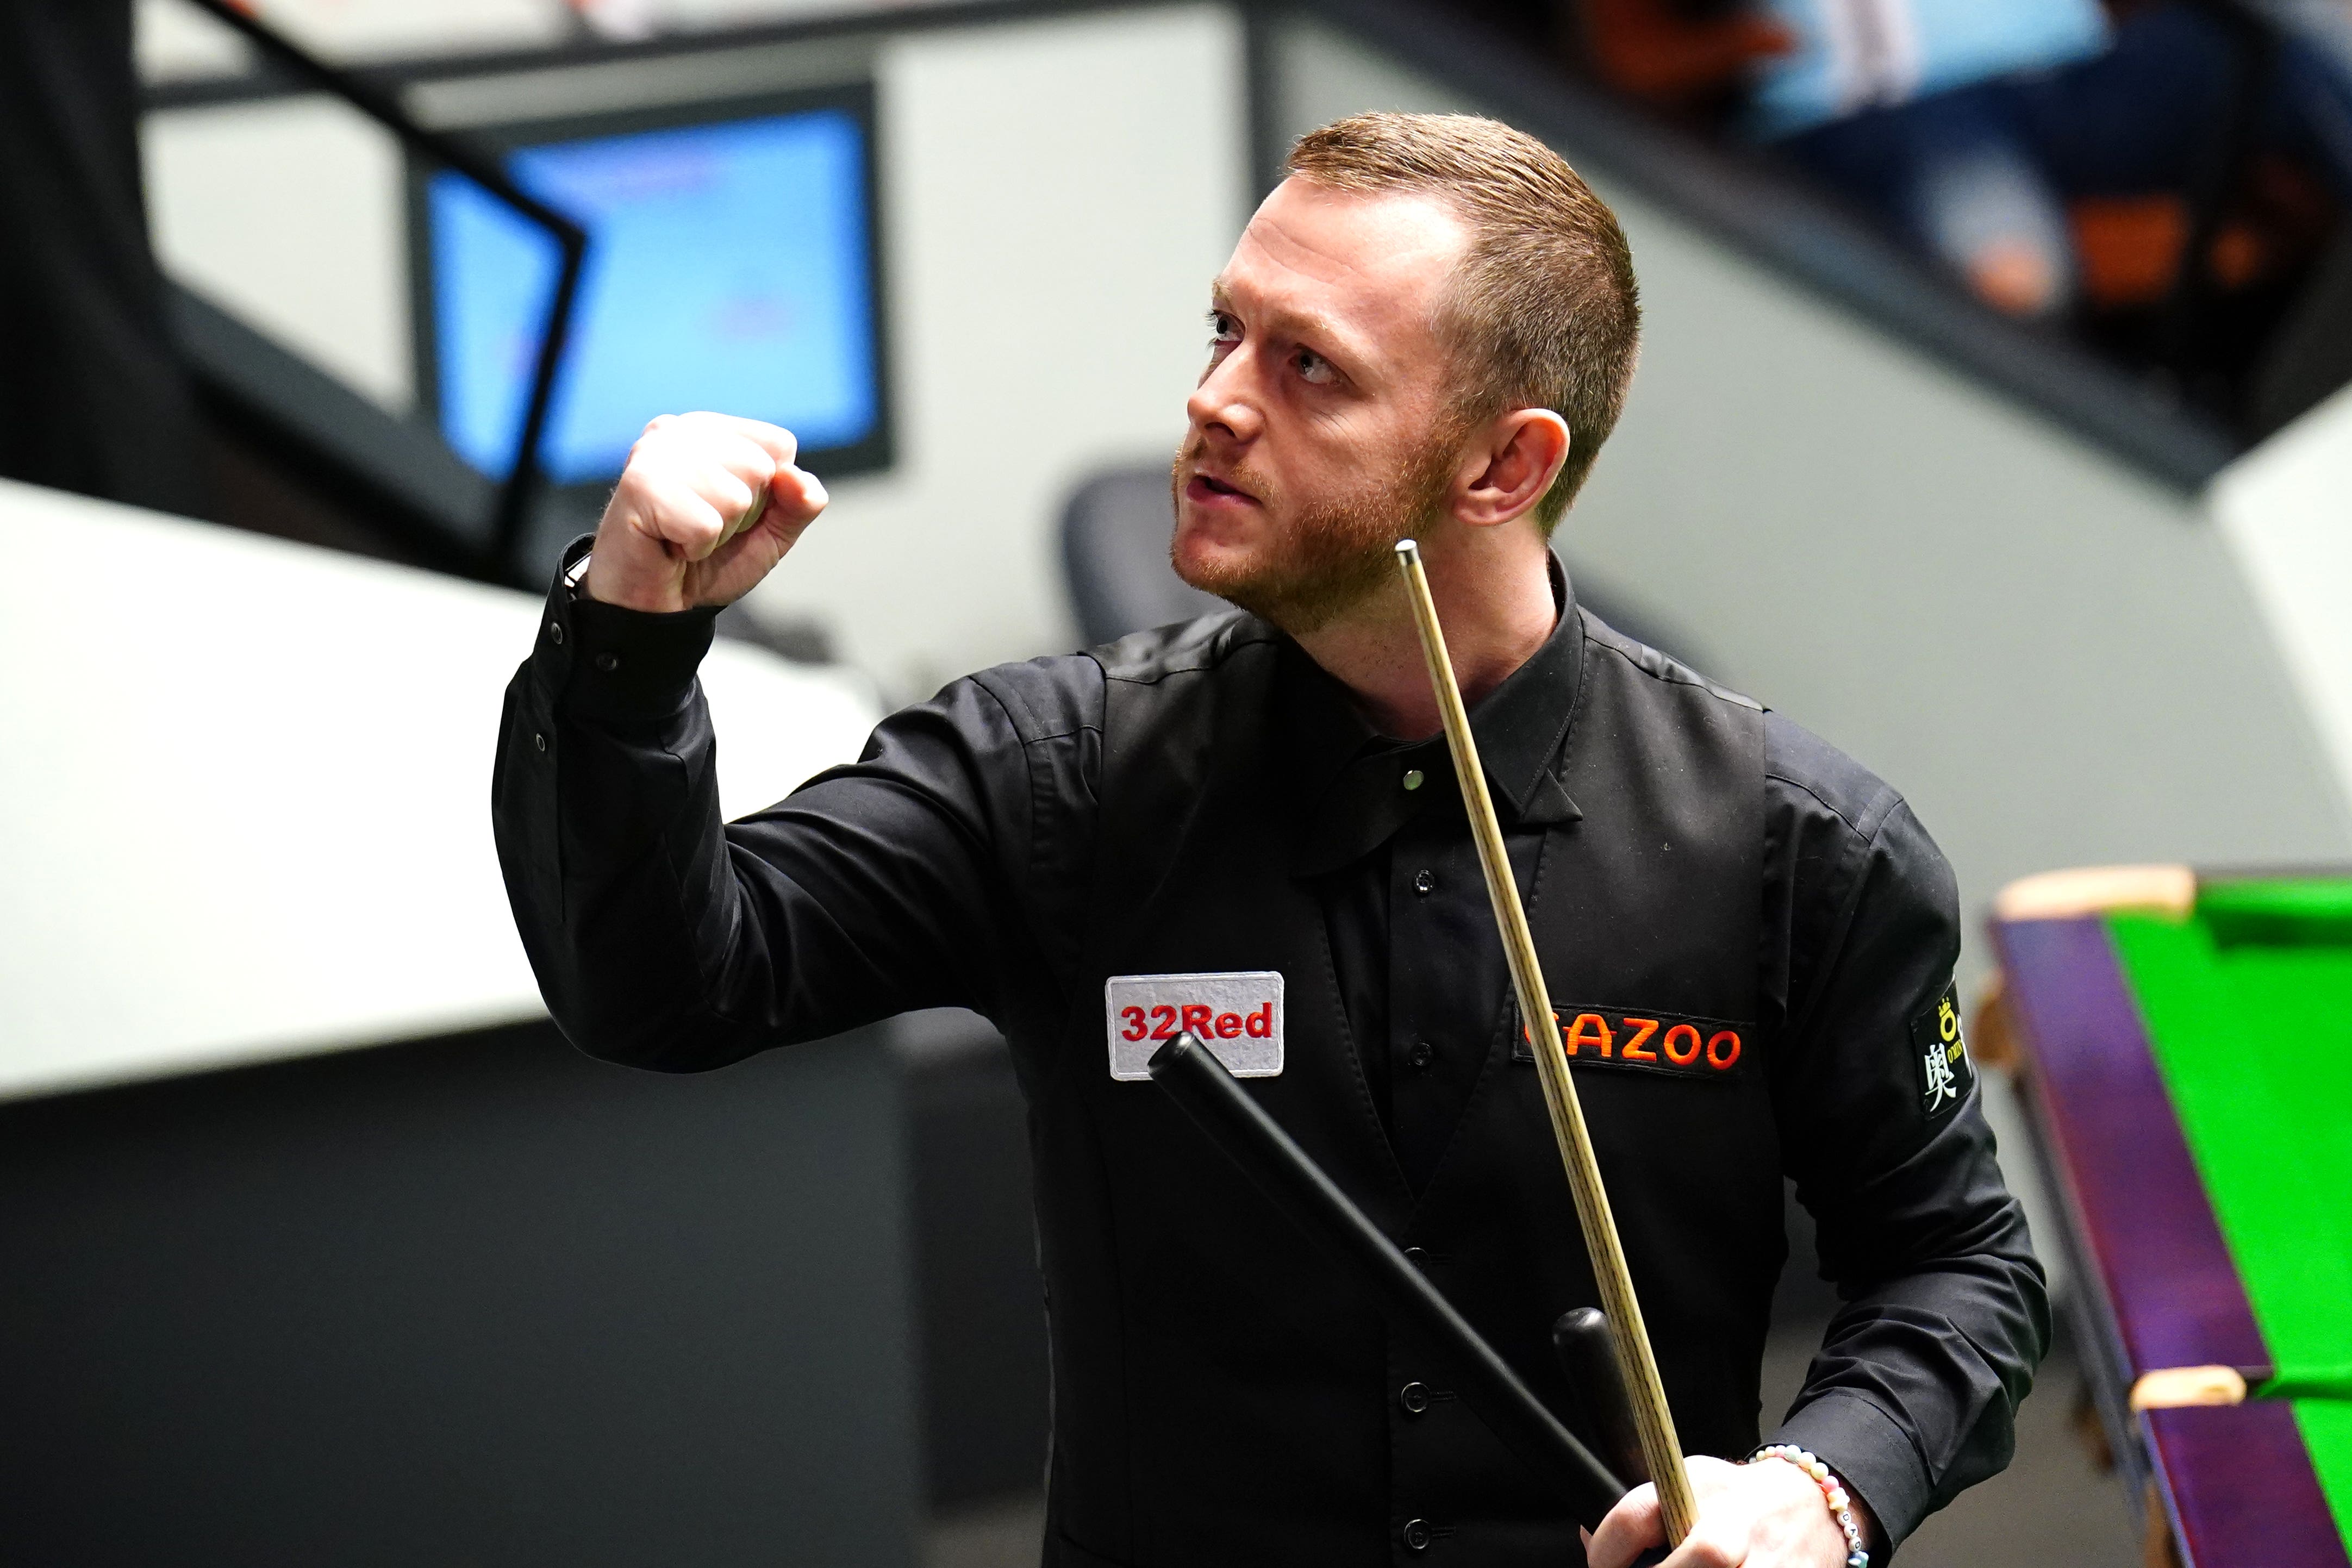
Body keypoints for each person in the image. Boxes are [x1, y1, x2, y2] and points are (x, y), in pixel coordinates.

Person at [493, 112, 2047, 1567]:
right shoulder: (1054, 777)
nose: (1216, 399)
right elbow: (662, 986)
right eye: (1226, 330)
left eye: (1310, 368)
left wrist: (1817, 1493)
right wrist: (624, 640)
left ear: (1504, 466)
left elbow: (1960, 1276)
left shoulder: (1800, 845)